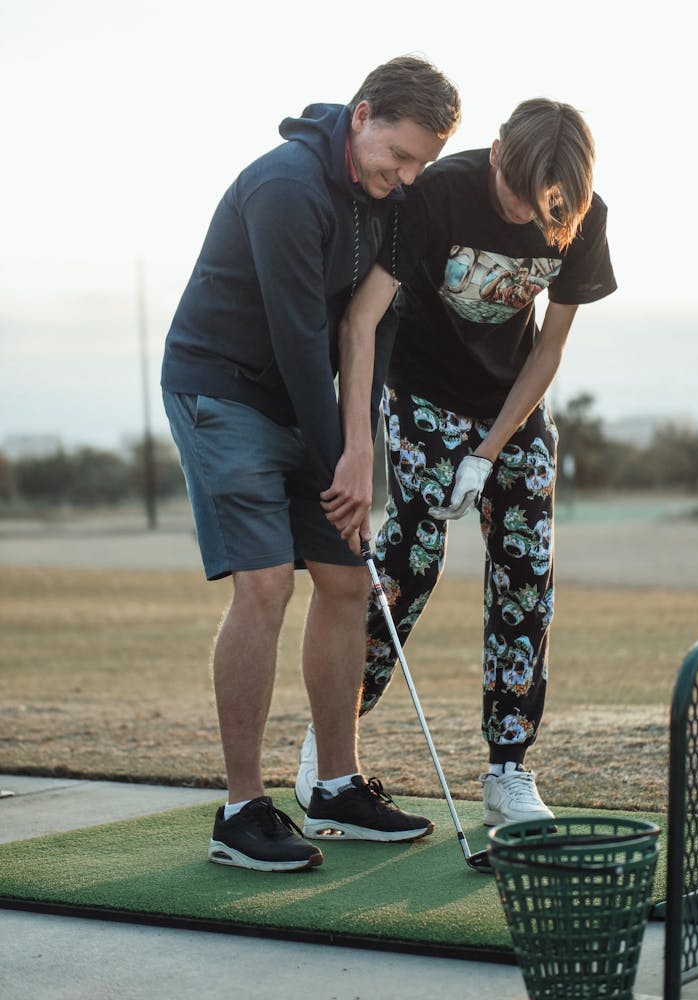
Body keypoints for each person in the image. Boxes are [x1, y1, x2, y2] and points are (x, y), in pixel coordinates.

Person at [161, 56, 461, 873]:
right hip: (223, 390)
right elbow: (301, 342)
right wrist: (341, 466)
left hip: (304, 401)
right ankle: (240, 810)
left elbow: (373, 330)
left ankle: (335, 786)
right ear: (361, 115)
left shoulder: (391, 201)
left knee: (345, 580)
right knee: (266, 583)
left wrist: (358, 456)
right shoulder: (286, 187)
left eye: (419, 165)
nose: (402, 178)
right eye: (395, 156)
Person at [295, 98, 617, 832]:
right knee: (412, 562)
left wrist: (490, 451)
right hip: (425, 393)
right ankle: (329, 746)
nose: (521, 209)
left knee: (526, 573)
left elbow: (549, 350)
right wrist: (363, 438)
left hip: (513, 405)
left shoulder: (584, 214)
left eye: (540, 204)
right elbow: (362, 318)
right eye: (513, 190)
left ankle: (509, 769)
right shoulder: (437, 193)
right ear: (497, 150)